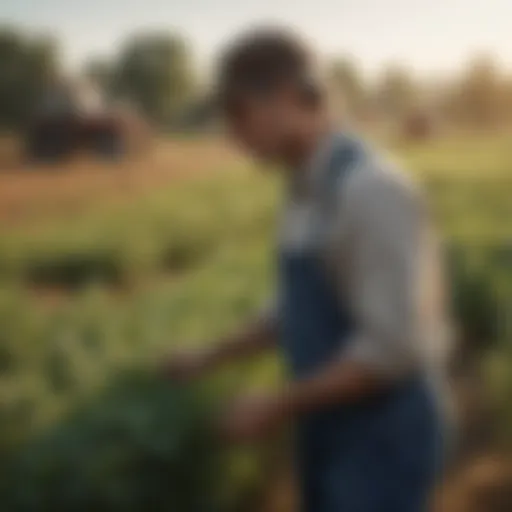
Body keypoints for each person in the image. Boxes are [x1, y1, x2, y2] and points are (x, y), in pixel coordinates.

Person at [164, 27, 451, 512]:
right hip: (327, 421)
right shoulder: (302, 190)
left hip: (384, 434)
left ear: (288, 97)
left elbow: (389, 350)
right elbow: (294, 309)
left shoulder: (372, 191)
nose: (231, 134)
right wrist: (211, 355)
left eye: (238, 113)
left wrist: (274, 405)